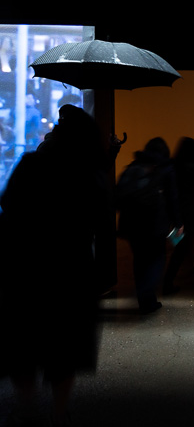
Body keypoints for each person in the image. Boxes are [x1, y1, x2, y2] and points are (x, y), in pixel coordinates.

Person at [0, 104, 112, 426]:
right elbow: (102, 220)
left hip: (27, 268)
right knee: (65, 349)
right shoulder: (90, 173)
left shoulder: (32, 163)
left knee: (24, 345)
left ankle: (27, 409)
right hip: (72, 271)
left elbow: (8, 203)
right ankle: (59, 412)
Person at [116, 137, 182, 314]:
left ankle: (144, 299)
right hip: (155, 223)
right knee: (157, 259)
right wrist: (178, 222)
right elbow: (173, 198)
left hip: (132, 223)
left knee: (140, 260)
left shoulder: (134, 165)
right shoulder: (166, 168)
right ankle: (147, 295)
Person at [163, 137, 194, 294]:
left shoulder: (173, 166)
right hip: (190, 213)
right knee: (182, 249)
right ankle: (168, 282)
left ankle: (168, 280)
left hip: (176, 213)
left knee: (179, 248)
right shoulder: (192, 168)